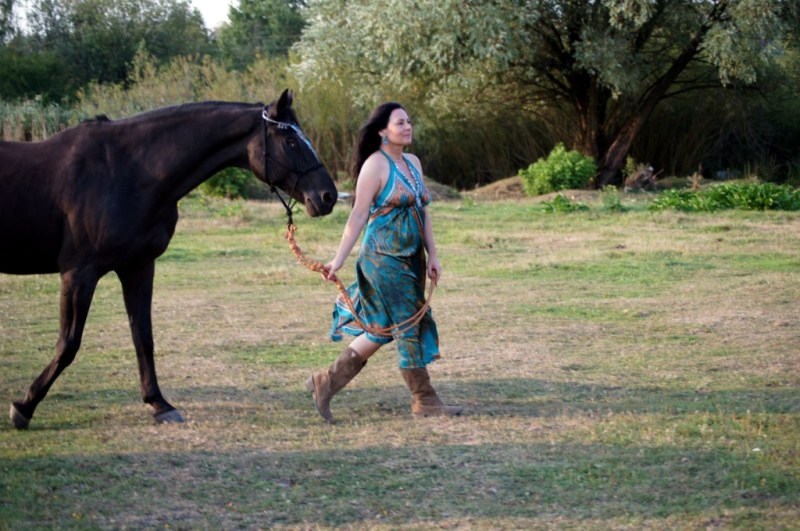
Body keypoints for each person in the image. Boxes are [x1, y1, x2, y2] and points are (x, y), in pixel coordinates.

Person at [305, 102, 463, 423]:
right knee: (408, 324)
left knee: (382, 329)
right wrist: (338, 260)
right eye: (399, 123)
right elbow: (358, 216)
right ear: (382, 131)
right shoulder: (374, 166)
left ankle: (326, 382)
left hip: (412, 259)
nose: (407, 127)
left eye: (409, 121)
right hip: (382, 259)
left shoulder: (413, 163)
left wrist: (433, 254)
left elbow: (423, 211)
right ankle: (425, 400)